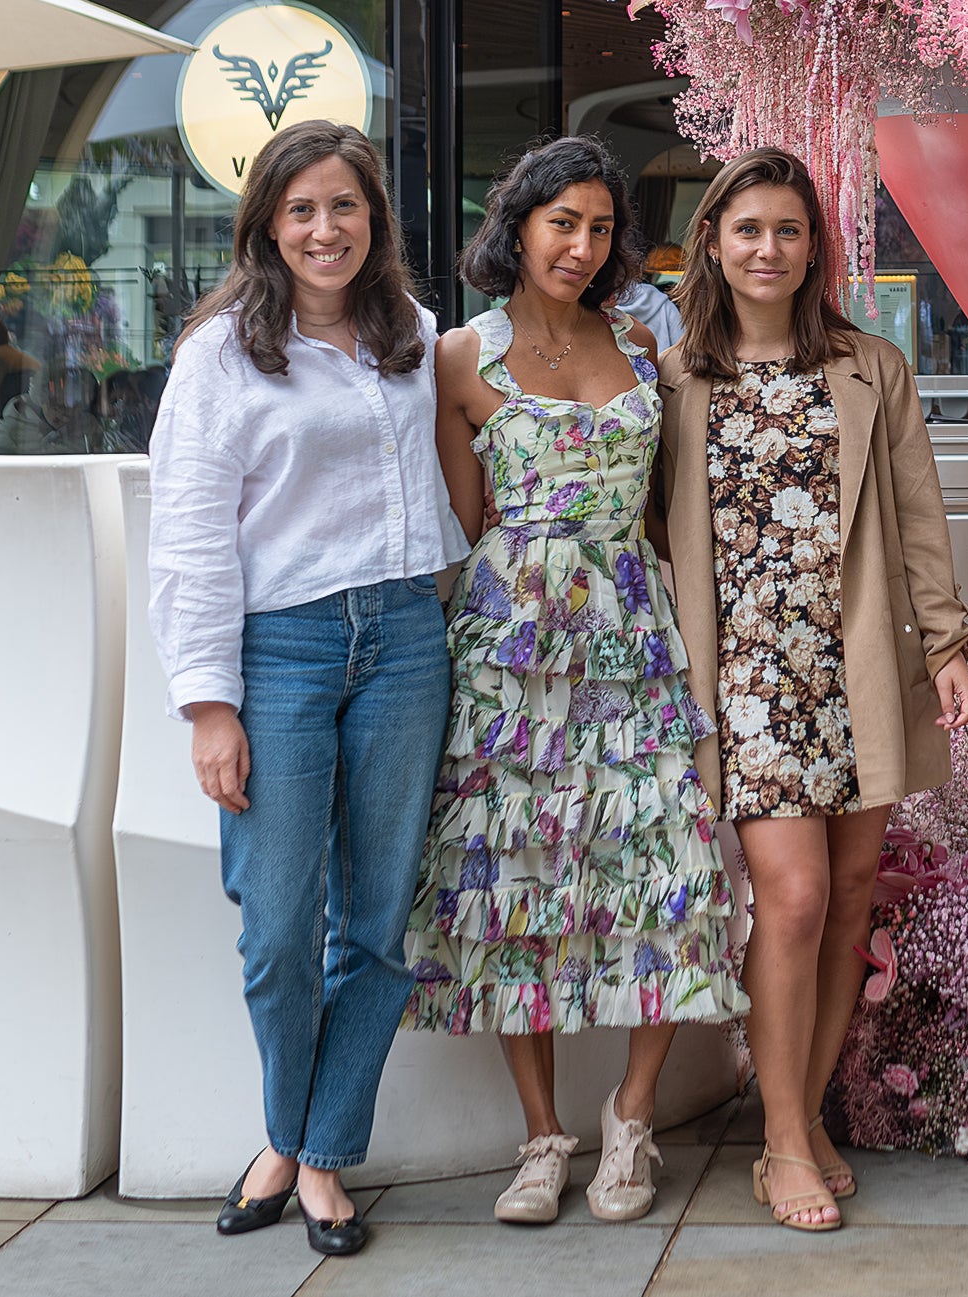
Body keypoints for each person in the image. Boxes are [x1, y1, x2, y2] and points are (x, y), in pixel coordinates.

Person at [404, 136, 747, 1225]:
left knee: (666, 860)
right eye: (564, 222)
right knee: (520, 884)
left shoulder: (646, 342)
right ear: (519, 224)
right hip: (513, 650)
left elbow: (664, 508)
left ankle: (630, 1120)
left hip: (632, 630)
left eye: (601, 228)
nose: (582, 244)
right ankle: (542, 1133)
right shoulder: (460, 358)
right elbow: (467, 522)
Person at [148, 120, 466, 1262]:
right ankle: (286, 1131)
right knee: (279, 926)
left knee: (376, 925)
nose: (324, 229)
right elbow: (186, 534)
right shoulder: (222, 354)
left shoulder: (415, 338)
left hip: (402, 637)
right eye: (300, 211)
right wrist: (208, 705)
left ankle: (320, 1157)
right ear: (268, 229)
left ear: (374, 219)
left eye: (344, 206)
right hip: (276, 652)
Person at [656, 147, 968, 1233]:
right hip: (745, 676)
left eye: (788, 231)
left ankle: (804, 1110)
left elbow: (919, 517)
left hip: (858, 663)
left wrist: (947, 644)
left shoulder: (867, 368)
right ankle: (779, 1136)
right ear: (712, 239)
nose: (767, 249)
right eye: (746, 228)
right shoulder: (676, 377)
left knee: (845, 903)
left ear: (814, 248)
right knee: (789, 898)